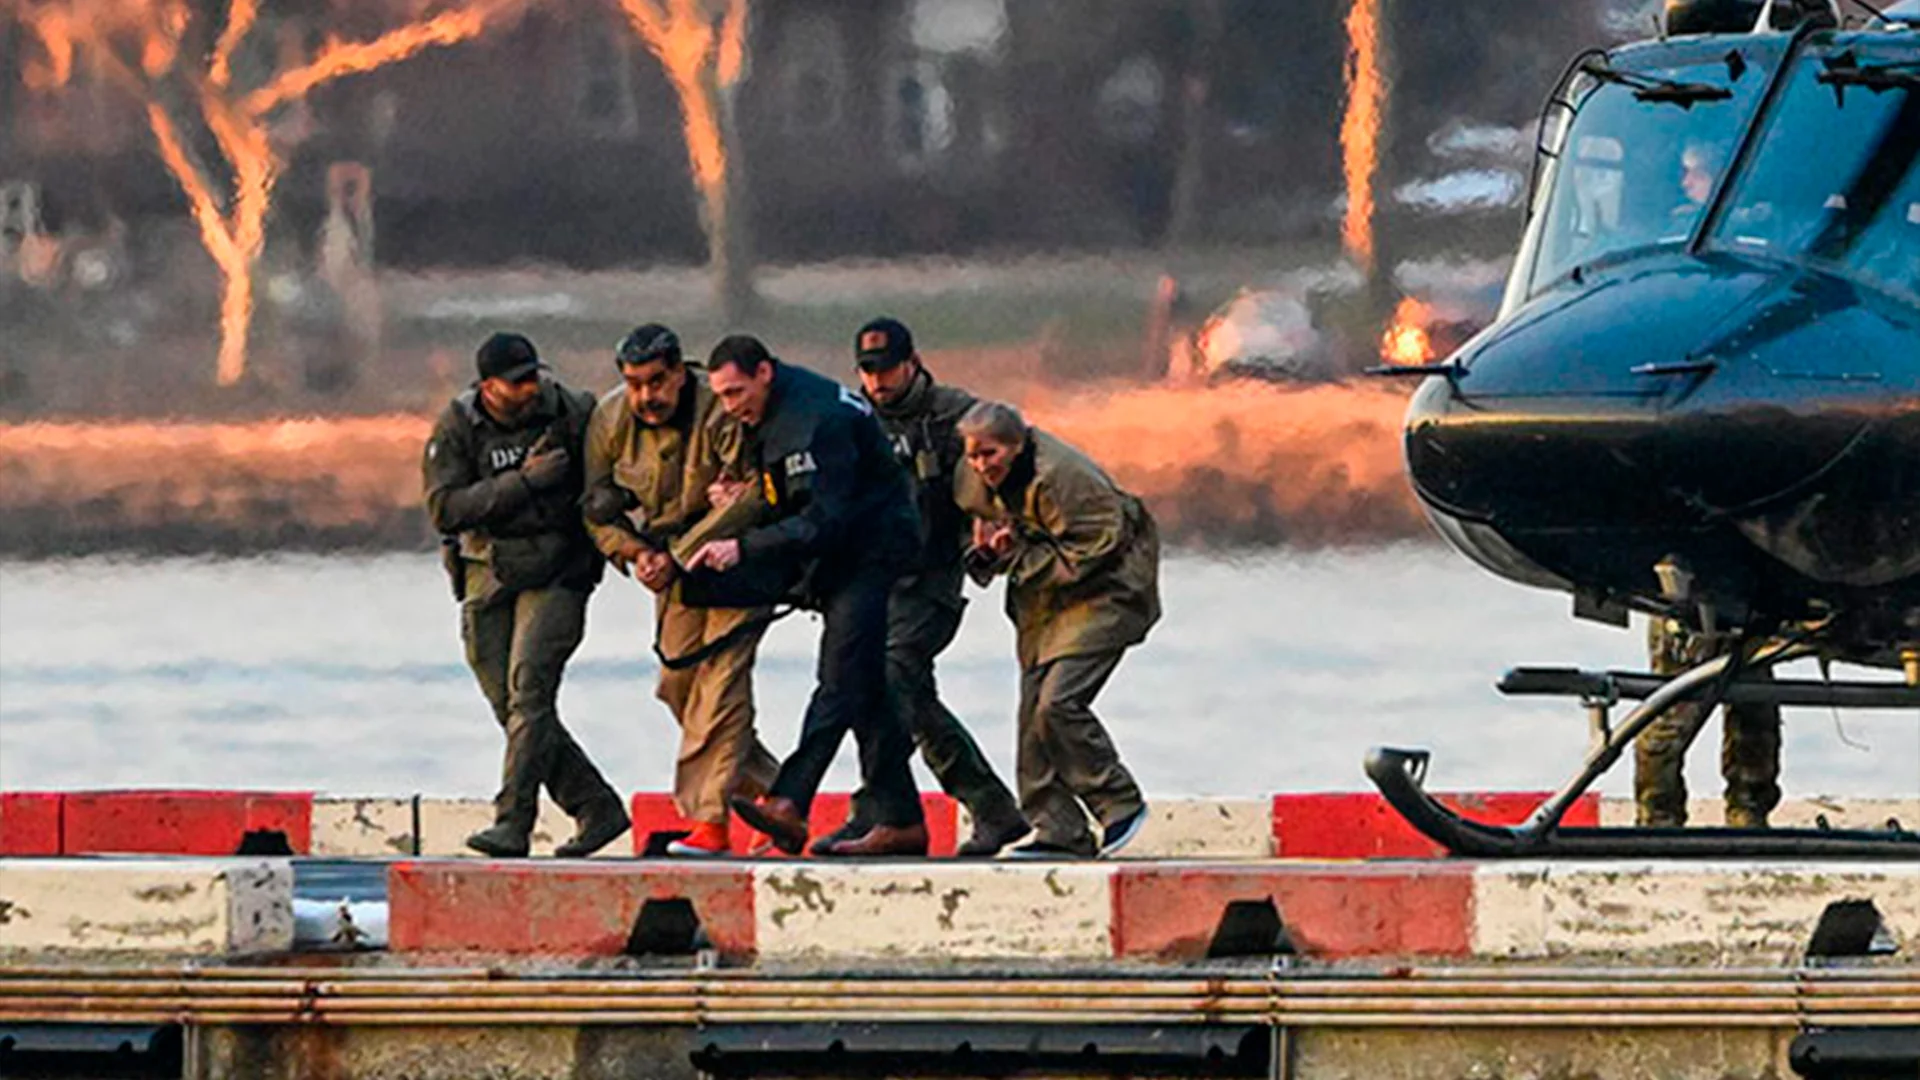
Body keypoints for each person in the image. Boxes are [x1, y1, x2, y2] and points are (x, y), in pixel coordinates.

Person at [687, 335, 928, 858]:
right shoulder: (765, 419)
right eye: (721, 397)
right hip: (837, 555)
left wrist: (744, 546)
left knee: (838, 677)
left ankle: (790, 802)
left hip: (872, 550)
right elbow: (786, 497)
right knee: (865, 688)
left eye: (735, 392)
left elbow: (826, 518)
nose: (730, 406)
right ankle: (902, 818)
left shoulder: (820, 419)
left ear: (765, 373)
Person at [808, 318, 1029, 858]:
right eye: (867, 370)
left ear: (912, 363)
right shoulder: (845, 419)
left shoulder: (955, 416)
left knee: (892, 674)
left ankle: (889, 810)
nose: (878, 381)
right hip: (868, 582)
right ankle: (964, 810)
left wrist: (992, 522)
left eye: (886, 369)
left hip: (930, 579)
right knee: (876, 687)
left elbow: (1008, 463)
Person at [423, 332, 631, 858]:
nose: (530, 388)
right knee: (508, 706)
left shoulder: (573, 411)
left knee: (530, 692)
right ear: (487, 386)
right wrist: (524, 481)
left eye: (533, 375)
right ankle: (595, 806)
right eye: (516, 382)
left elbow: (610, 476)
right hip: (487, 574)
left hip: (558, 571)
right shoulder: (457, 426)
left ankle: (513, 822)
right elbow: (445, 508)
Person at [581, 324, 780, 857]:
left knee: (721, 684)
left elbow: (752, 496)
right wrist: (633, 552)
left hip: (735, 560)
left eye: (656, 382)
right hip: (667, 569)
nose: (646, 397)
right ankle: (782, 796)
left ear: (679, 372)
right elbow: (595, 508)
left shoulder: (720, 410)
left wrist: (679, 553)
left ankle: (708, 824)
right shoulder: (610, 419)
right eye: (633, 384)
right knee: (679, 686)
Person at [954, 401, 1154, 859]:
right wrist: (987, 553)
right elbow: (981, 532)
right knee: (1032, 715)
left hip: (1109, 590)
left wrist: (1019, 553)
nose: (983, 466)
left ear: (1018, 445)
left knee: (1059, 702)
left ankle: (1117, 802)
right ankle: (1058, 828)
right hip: (1042, 602)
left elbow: (1098, 549)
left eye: (991, 454)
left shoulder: (1065, 477)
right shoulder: (974, 481)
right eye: (974, 456)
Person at [1634, 617, 1782, 829]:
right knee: (1670, 719)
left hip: (1753, 612)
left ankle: (1748, 809)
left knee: (1754, 713)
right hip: (1688, 612)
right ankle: (1658, 816)